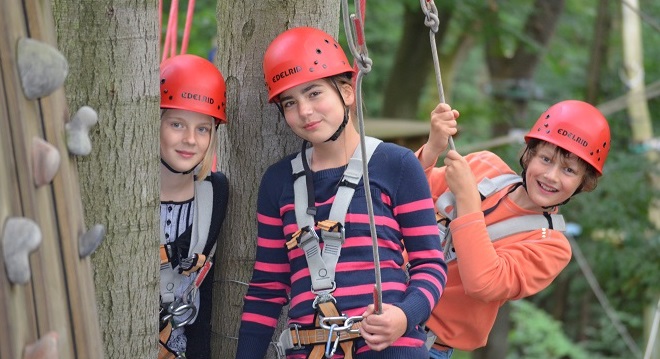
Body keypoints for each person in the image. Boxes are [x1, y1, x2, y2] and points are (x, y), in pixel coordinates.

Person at [236, 27, 447, 359]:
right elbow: (267, 288)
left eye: (314, 93)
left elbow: (430, 264)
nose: (304, 111)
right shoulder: (278, 182)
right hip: (310, 349)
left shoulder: (396, 165)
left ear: (347, 92)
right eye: (290, 102)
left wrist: (405, 316)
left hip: (389, 348)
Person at [416, 100, 611, 358]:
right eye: (545, 158)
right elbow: (400, 200)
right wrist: (432, 149)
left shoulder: (551, 246)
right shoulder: (484, 166)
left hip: (423, 343)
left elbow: (483, 283)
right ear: (529, 155)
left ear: (582, 183)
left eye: (568, 170)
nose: (551, 176)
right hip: (374, 305)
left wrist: (467, 200)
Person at [158, 54, 229, 359]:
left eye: (203, 129)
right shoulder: (124, 199)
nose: (190, 139)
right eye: (177, 124)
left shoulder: (215, 194)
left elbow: (206, 297)